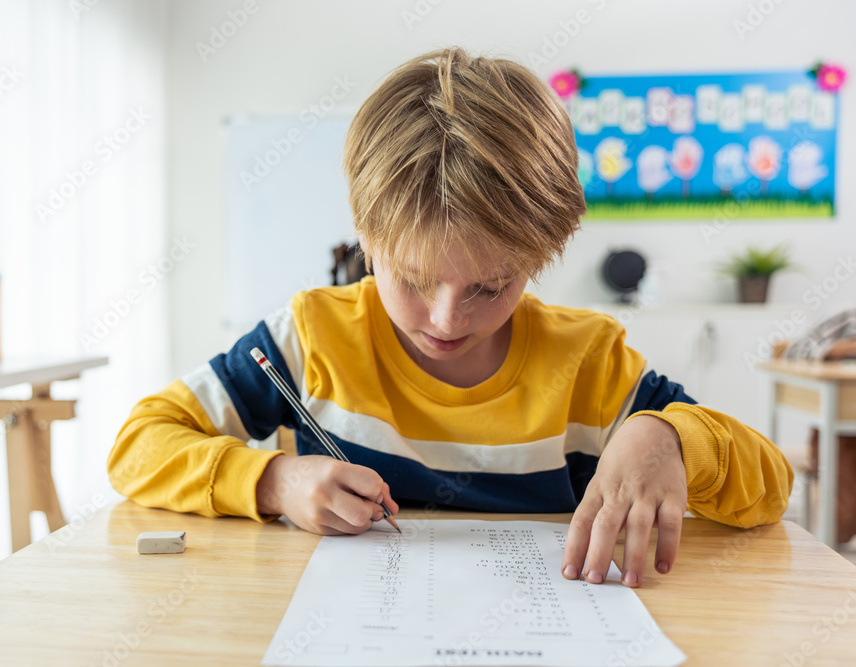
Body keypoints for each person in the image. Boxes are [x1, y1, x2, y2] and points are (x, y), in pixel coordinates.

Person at [107, 47, 793, 589]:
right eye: (410, 277)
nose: (444, 317)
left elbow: (771, 485)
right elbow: (137, 443)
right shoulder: (312, 337)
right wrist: (272, 480)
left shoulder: (588, 364)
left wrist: (666, 438)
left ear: (540, 254)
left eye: (490, 286)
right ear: (366, 236)